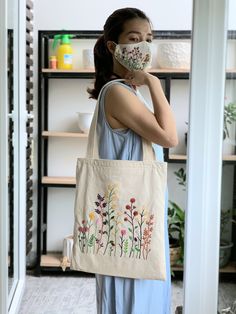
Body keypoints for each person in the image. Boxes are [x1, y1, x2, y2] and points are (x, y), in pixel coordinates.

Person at [88, 7, 178, 314]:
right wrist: (153, 82)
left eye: (148, 39)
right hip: (132, 212)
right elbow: (169, 137)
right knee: (135, 295)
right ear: (114, 46)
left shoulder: (124, 91)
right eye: (134, 38)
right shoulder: (119, 93)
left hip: (134, 214)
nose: (143, 46)